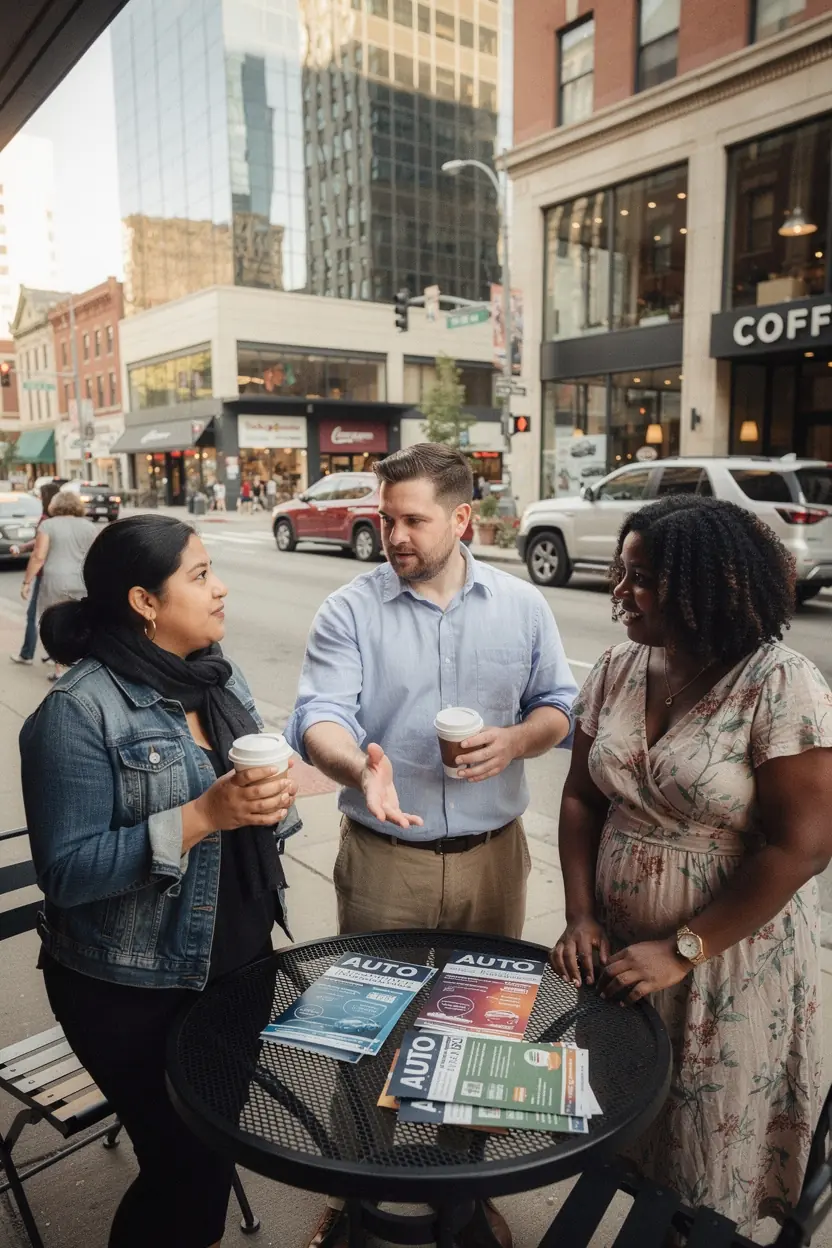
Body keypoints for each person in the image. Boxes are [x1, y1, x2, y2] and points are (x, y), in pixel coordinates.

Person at [286, 443, 577, 1248]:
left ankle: (464, 1188)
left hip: (494, 856)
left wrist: (518, 741)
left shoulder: (522, 607)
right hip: (385, 858)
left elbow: (559, 703)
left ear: (462, 520)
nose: (395, 535)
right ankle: (357, 1190)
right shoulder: (351, 608)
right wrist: (359, 764)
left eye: (413, 519)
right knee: (370, 1033)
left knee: (481, 1033)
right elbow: (319, 718)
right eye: (387, 518)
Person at [550, 495, 832, 1240]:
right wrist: (580, 914)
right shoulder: (616, 667)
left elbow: (802, 847)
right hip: (615, 951)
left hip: (730, 961)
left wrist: (683, 949)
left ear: (707, 586)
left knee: (706, 1152)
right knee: (629, 1125)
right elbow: (580, 798)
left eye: (639, 578)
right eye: (620, 570)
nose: (618, 591)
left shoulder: (780, 683)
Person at [20, 514, 300, 1248]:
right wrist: (203, 814)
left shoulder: (216, 672)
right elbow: (67, 872)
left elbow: (250, 801)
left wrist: (274, 799)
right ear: (146, 601)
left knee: (211, 1150)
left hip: (238, 961)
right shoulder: (76, 712)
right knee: (181, 1165)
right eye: (200, 575)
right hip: (131, 986)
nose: (220, 588)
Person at [21, 490, 97, 681]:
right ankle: (83, 665)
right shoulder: (89, 526)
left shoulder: (48, 525)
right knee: (81, 622)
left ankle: (60, 669)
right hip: (81, 580)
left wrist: (27, 581)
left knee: (56, 623)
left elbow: (39, 555)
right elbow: (96, 555)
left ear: (55, 505)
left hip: (56, 580)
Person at [9, 481, 61, 666]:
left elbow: (39, 552)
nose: (39, 498)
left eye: (41, 494)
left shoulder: (46, 519)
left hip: (45, 574)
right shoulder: (62, 518)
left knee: (34, 614)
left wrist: (26, 582)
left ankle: (27, 653)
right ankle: (56, 655)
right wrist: (23, 546)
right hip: (64, 576)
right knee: (56, 614)